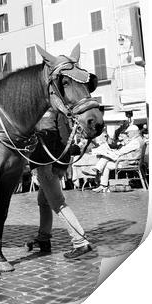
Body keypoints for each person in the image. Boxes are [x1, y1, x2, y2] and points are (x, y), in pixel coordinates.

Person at [26, 108, 93, 259]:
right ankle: (43, 238)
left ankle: (80, 242)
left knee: (58, 204)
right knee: (43, 201)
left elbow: (65, 139)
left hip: (47, 163)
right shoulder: (38, 108)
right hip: (41, 162)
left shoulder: (55, 111)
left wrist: (62, 165)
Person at [85, 124, 145, 192]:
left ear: (133, 132)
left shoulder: (135, 141)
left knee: (105, 158)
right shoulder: (139, 139)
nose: (128, 134)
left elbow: (123, 150)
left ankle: (100, 179)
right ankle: (99, 174)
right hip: (128, 160)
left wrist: (114, 152)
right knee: (106, 158)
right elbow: (125, 150)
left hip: (127, 161)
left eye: (128, 133)